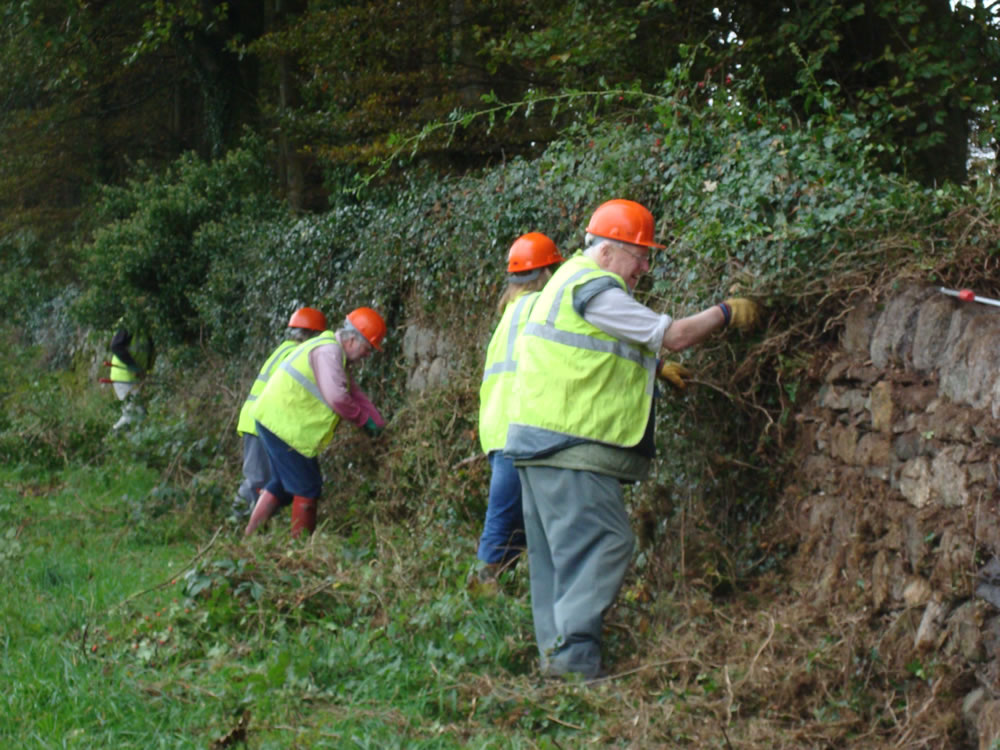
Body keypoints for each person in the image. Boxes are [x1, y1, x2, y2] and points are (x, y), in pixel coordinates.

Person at [504, 199, 761, 680]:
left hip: (536, 442)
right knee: (609, 542)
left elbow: (596, 345)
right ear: (607, 252)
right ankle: (575, 662)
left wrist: (654, 368)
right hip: (568, 444)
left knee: (554, 558)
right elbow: (678, 334)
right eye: (639, 255)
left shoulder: (566, 282)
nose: (645, 267)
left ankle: (557, 661)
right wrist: (727, 312)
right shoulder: (595, 286)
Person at [244, 307, 388, 538]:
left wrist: (379, 424)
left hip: (276, 423)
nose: (367, 355)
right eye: (367, 349)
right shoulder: (329, 352)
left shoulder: (333, 353)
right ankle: (300, 553)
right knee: (308, 486)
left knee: (282, 485)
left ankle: (248, 537)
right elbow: (338, 398)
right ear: (352, 340)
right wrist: (364, 422)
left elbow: (355, 395)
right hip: (284, 427)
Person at [475, 232, 563, 585]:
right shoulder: (540, 306)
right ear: (544, 274)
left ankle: (495, 596)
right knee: (502, 521)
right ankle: (480, 600)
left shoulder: (511, 312)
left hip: (499, 427)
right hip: (519, 425)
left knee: (518, 522)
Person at [232, 307, 329, 520]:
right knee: (257, 480)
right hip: (261, 421)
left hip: (261, 420)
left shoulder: (284, 349)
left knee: (270, 481)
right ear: (313, 334)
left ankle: (254, 527)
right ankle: (235, 523)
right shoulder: (297, 354)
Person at [108, 321, 155, 431]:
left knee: (137, 412)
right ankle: (116, 434)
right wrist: (133, 366)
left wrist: (147, 371)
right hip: (123, 377)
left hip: (137, 378)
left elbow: (149, 352)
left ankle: (124, 438)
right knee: (136, 412)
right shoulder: (128, 323)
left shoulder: (145, 328)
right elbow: (116, 346)